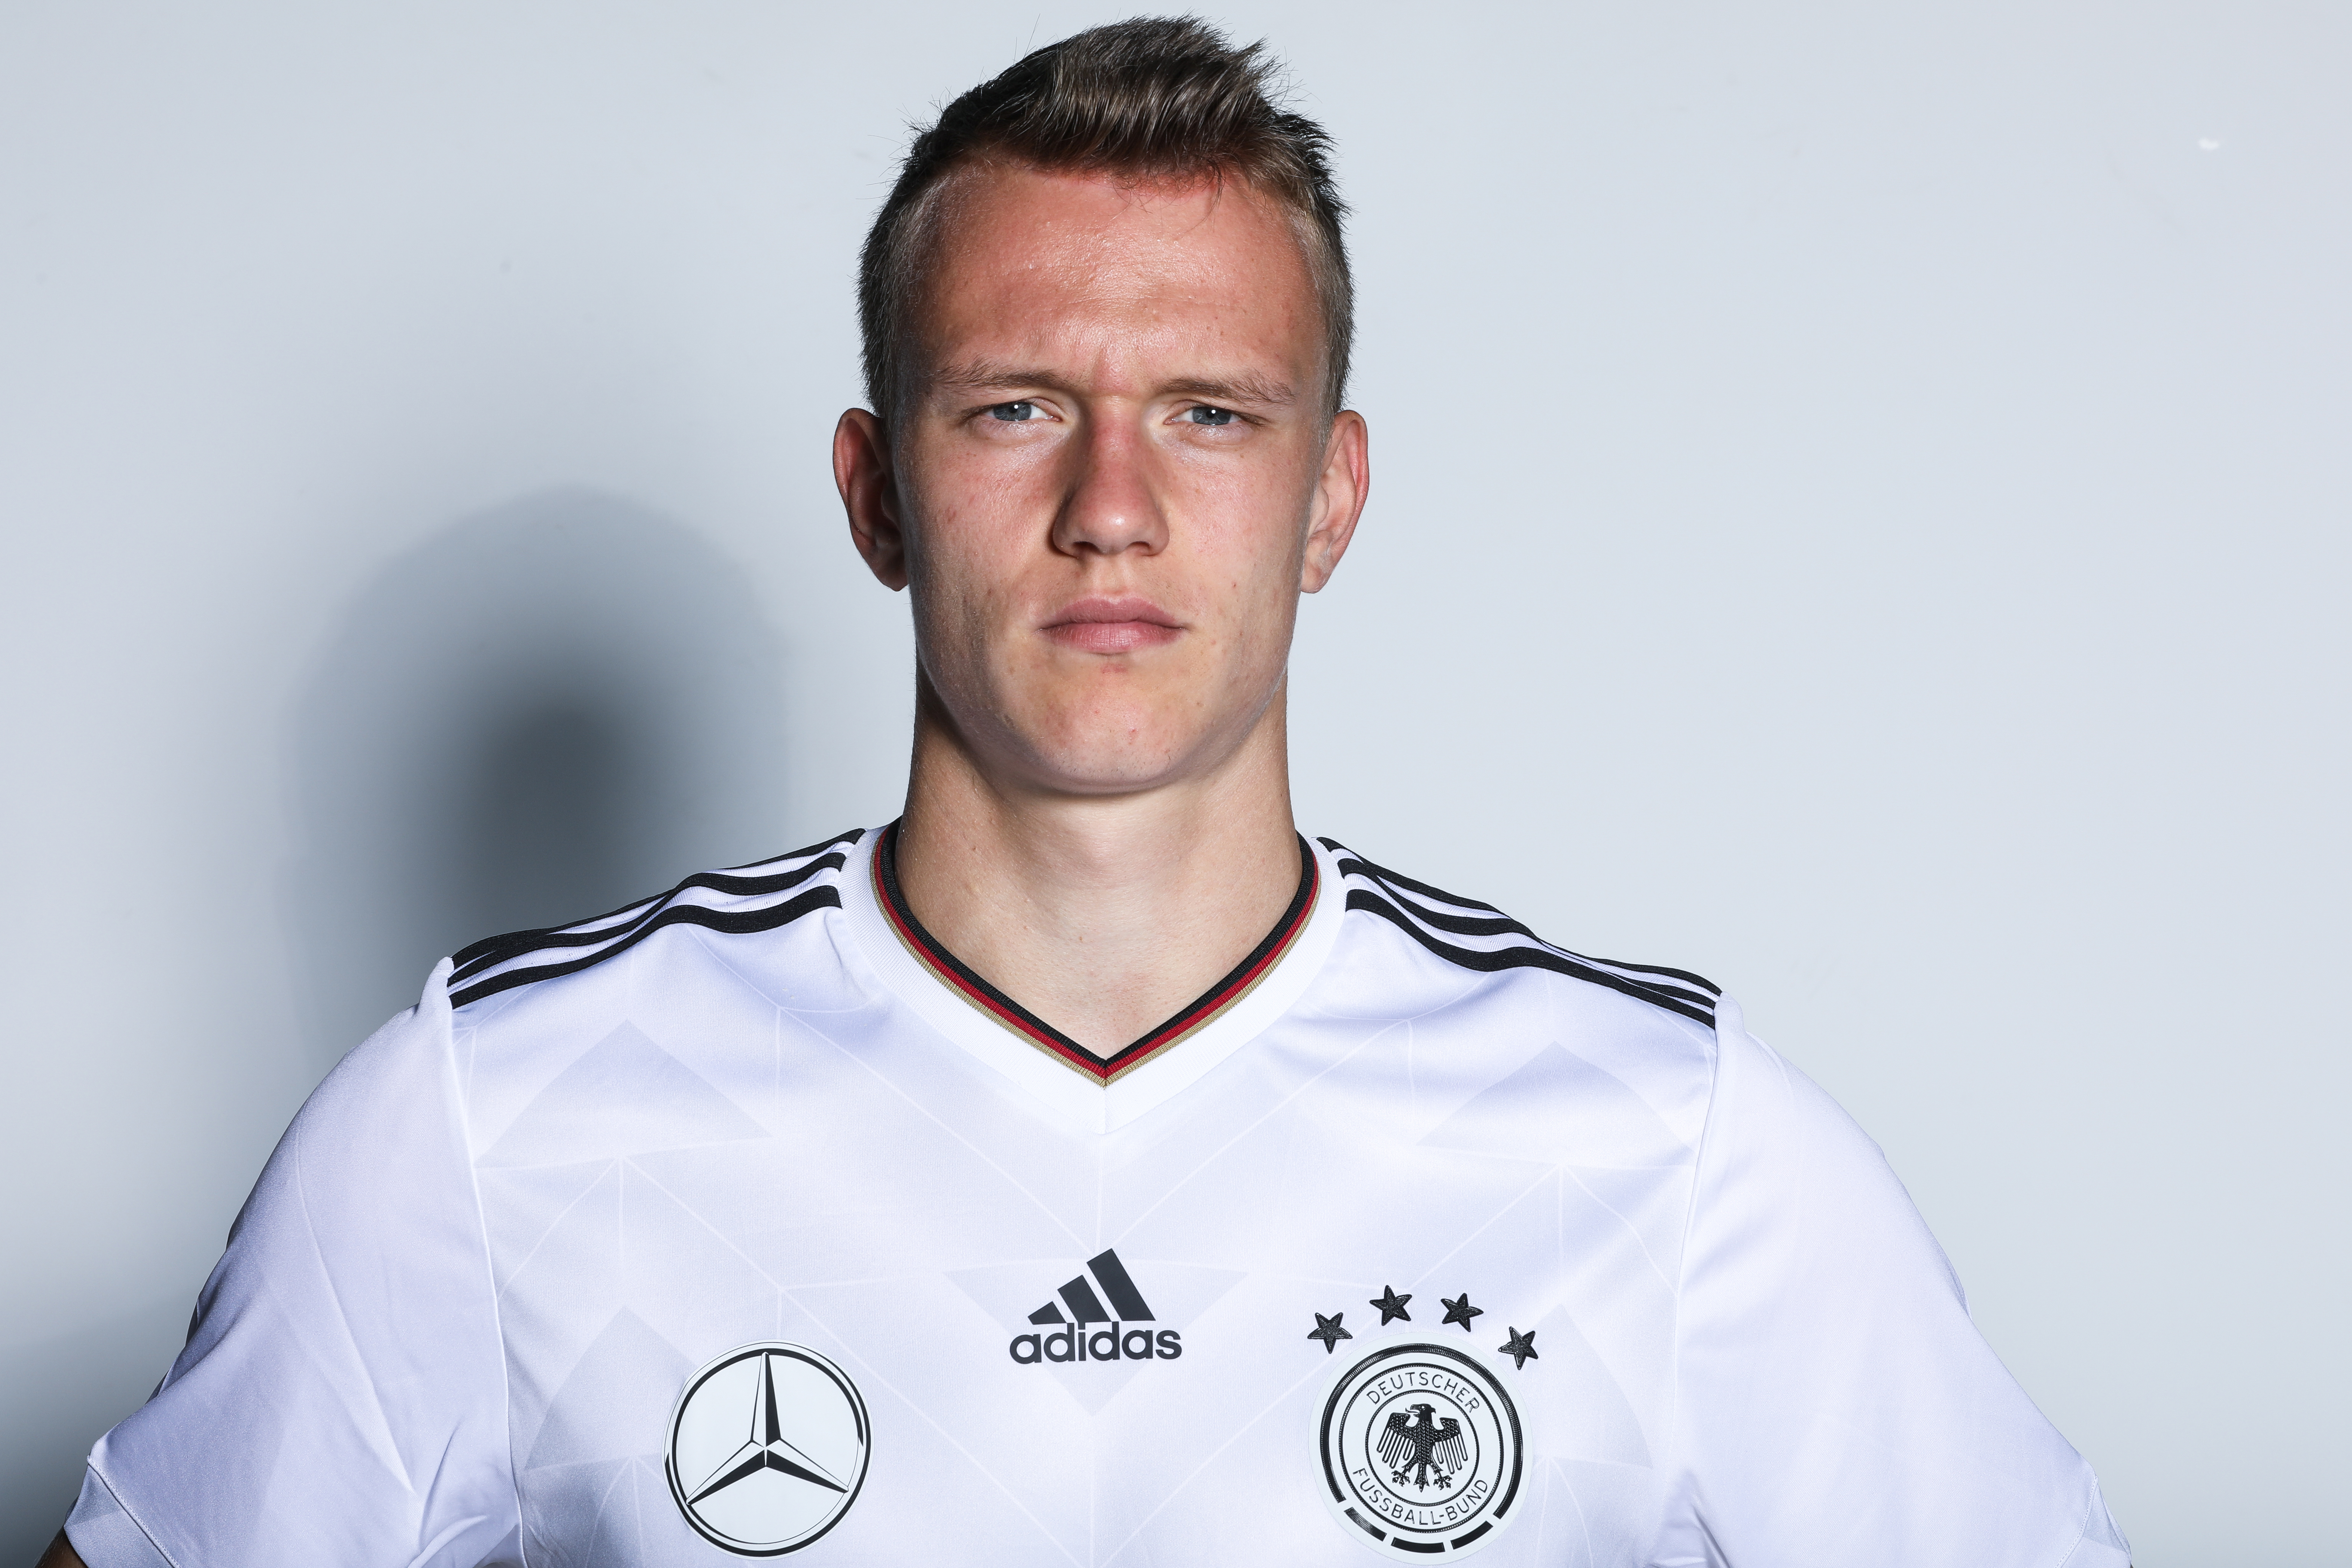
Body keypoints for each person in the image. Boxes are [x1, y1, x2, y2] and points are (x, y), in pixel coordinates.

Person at [42, 18, 2132, 1568]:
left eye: (1211, 415)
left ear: (1331, 497)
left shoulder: (1671, 1149)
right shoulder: (494, 1121)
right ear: (877, 494)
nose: (1110, 508)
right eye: (1017, 406)